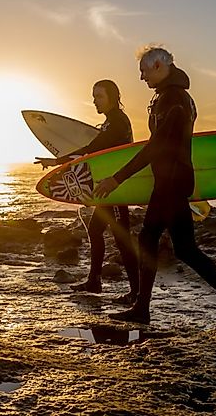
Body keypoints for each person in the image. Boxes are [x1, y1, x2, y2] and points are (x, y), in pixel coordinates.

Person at [94, 45, 216, 329]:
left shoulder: (175, 99)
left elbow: (157, 146)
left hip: (171, 183)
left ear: (159, 66)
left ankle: (145, 308)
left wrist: (117, 179)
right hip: (170, 181)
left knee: (167, 244)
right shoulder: (170, 97)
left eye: (144, 71)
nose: (142, 78)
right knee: (178, 247)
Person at [35, 80, 139, 301]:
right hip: (107, 188)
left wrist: (57, 162)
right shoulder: (110, 122)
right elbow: (94, 152)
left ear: (112, 97)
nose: (94, 101)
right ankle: (94, 281)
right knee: (94, 231)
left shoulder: (117, 122)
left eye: (99, 96)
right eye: (93, 97)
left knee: (122, 239)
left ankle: (136, 292)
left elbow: (90, 151)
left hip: (116, 189)